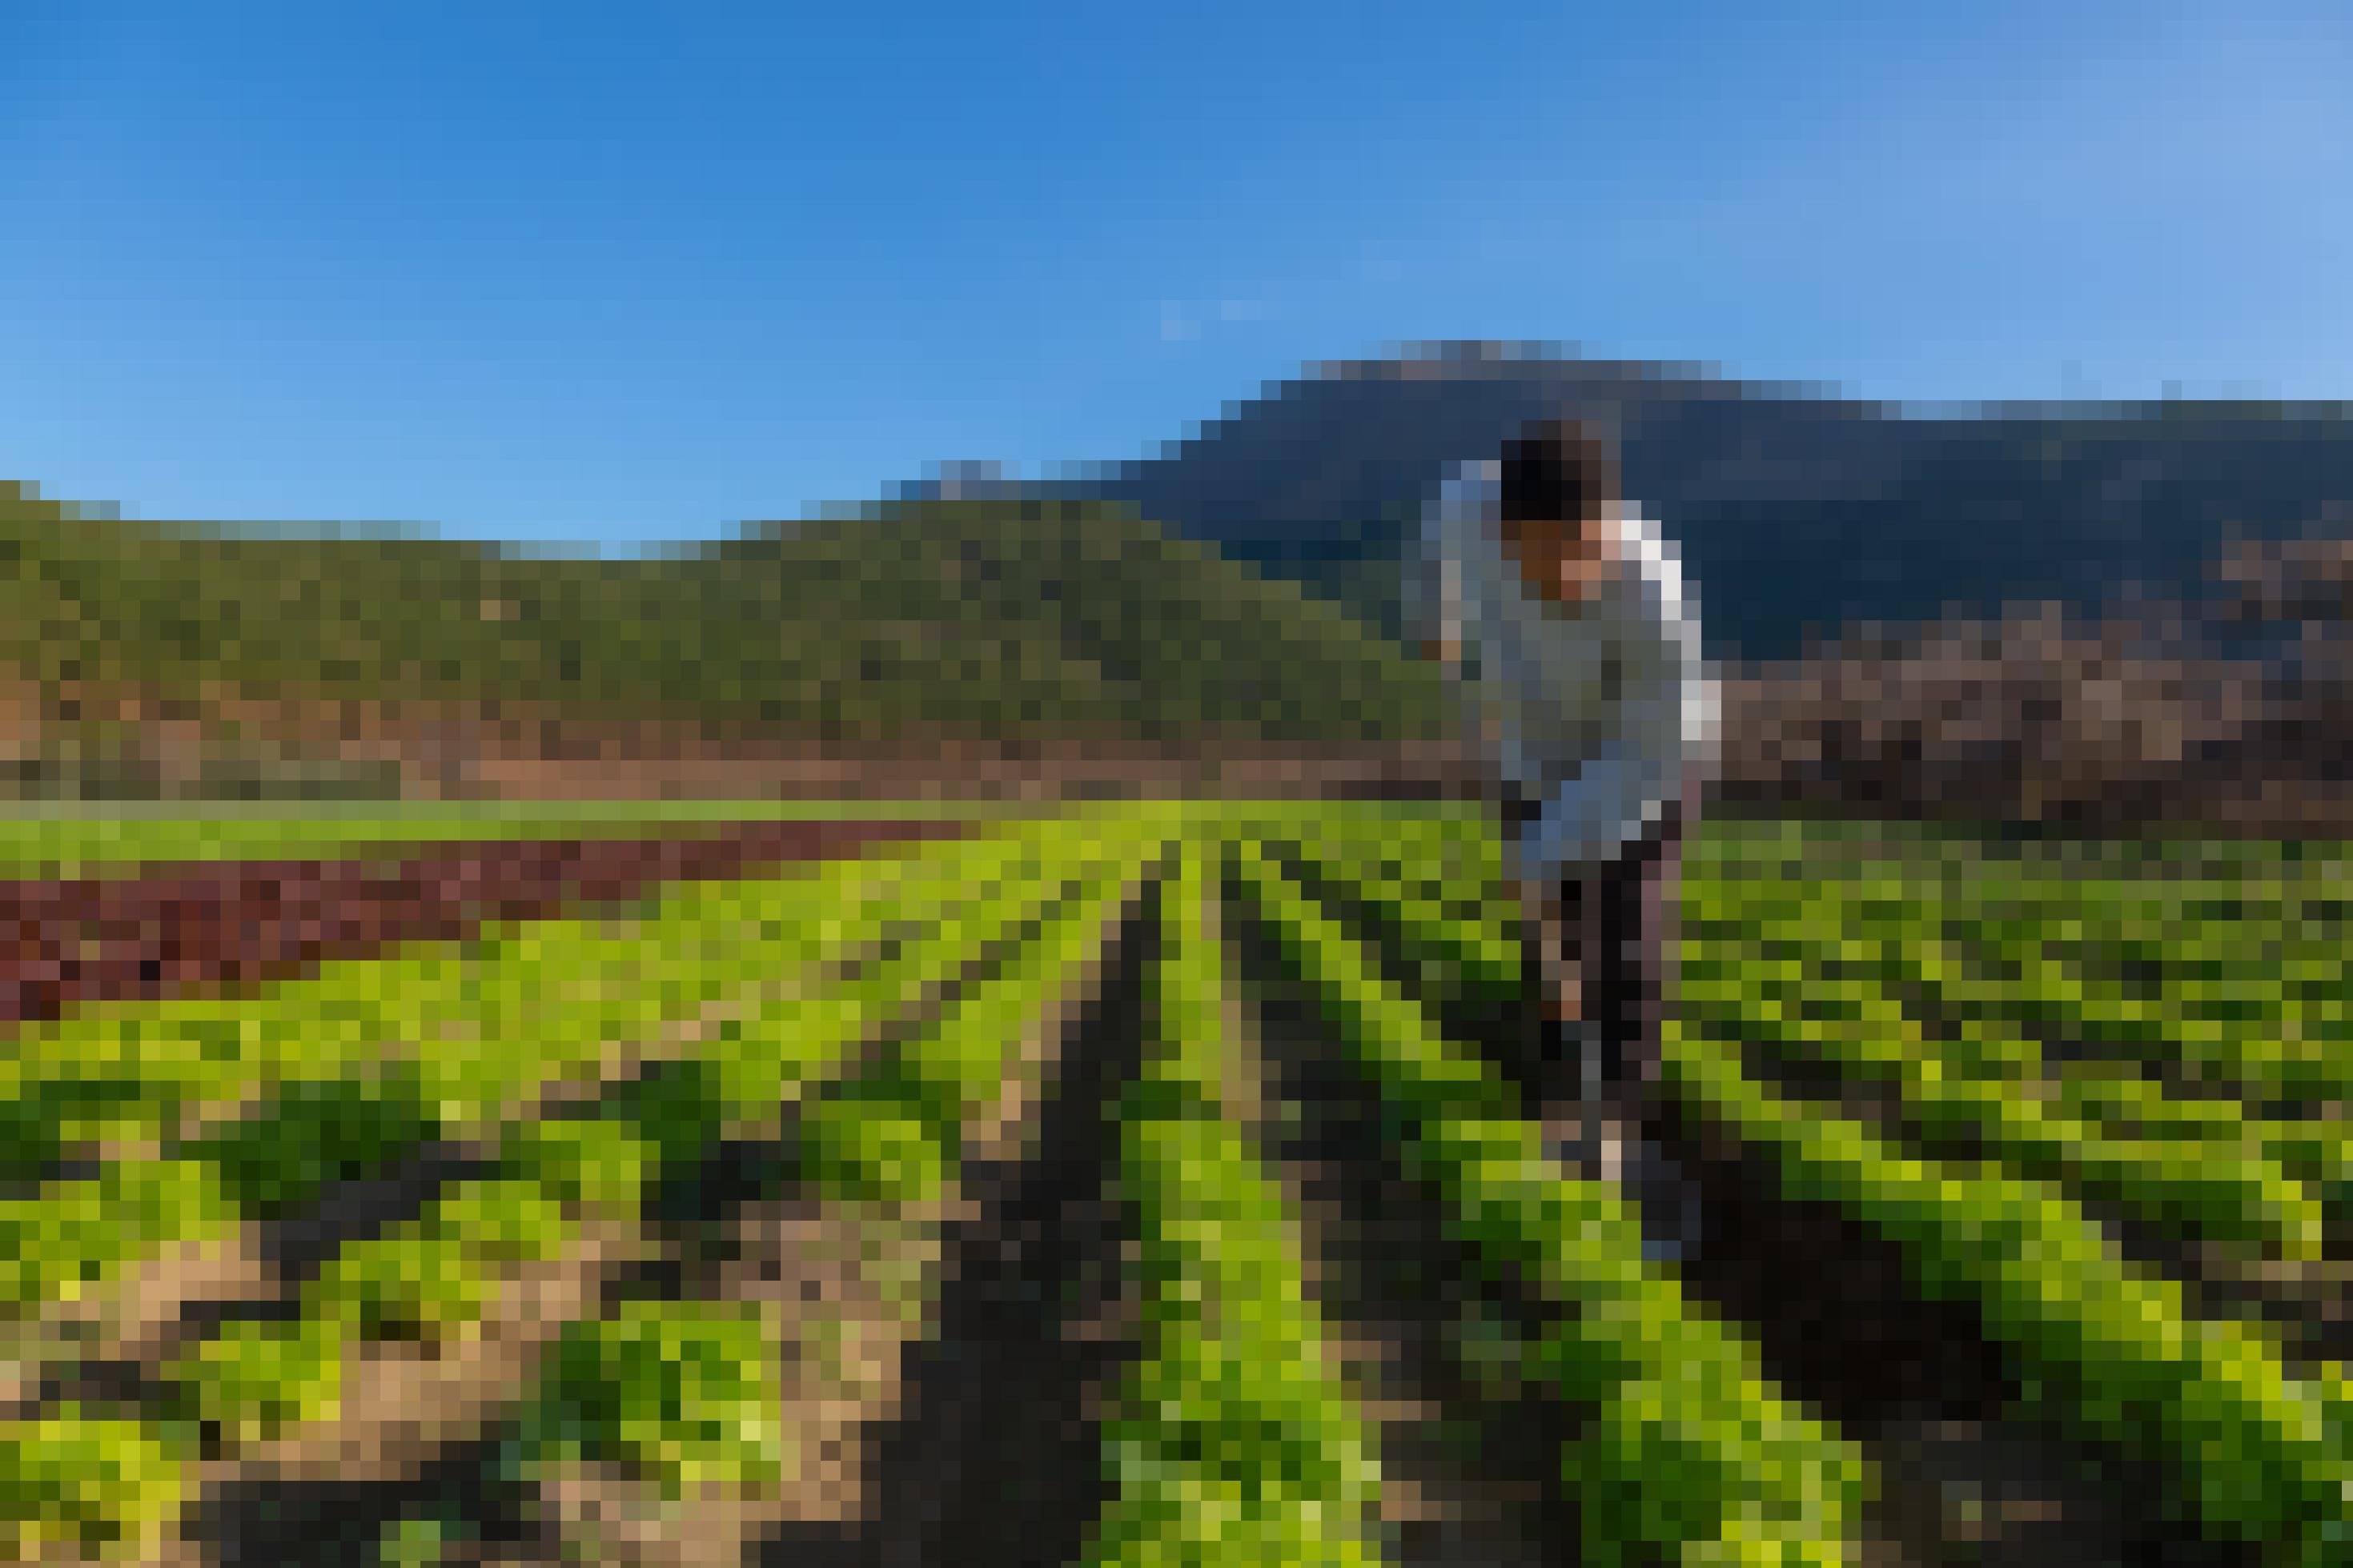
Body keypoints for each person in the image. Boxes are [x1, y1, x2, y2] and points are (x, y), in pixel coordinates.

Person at [1405, 417, 1718, 1262]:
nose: (1567, 575)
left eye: (1584, 551)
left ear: (1611, 522)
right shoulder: (1466, 509)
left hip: (1643, 759)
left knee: (1622, 937)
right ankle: (1561, 1117)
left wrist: (1544, 851)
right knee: (1548, 943)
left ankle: (1614, 1132)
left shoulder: (1652, 594)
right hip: (1531, 751)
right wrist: (1435, 621)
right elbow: (1433, 540)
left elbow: (1644, 760)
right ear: (1504, 533)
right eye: (1544, 556)